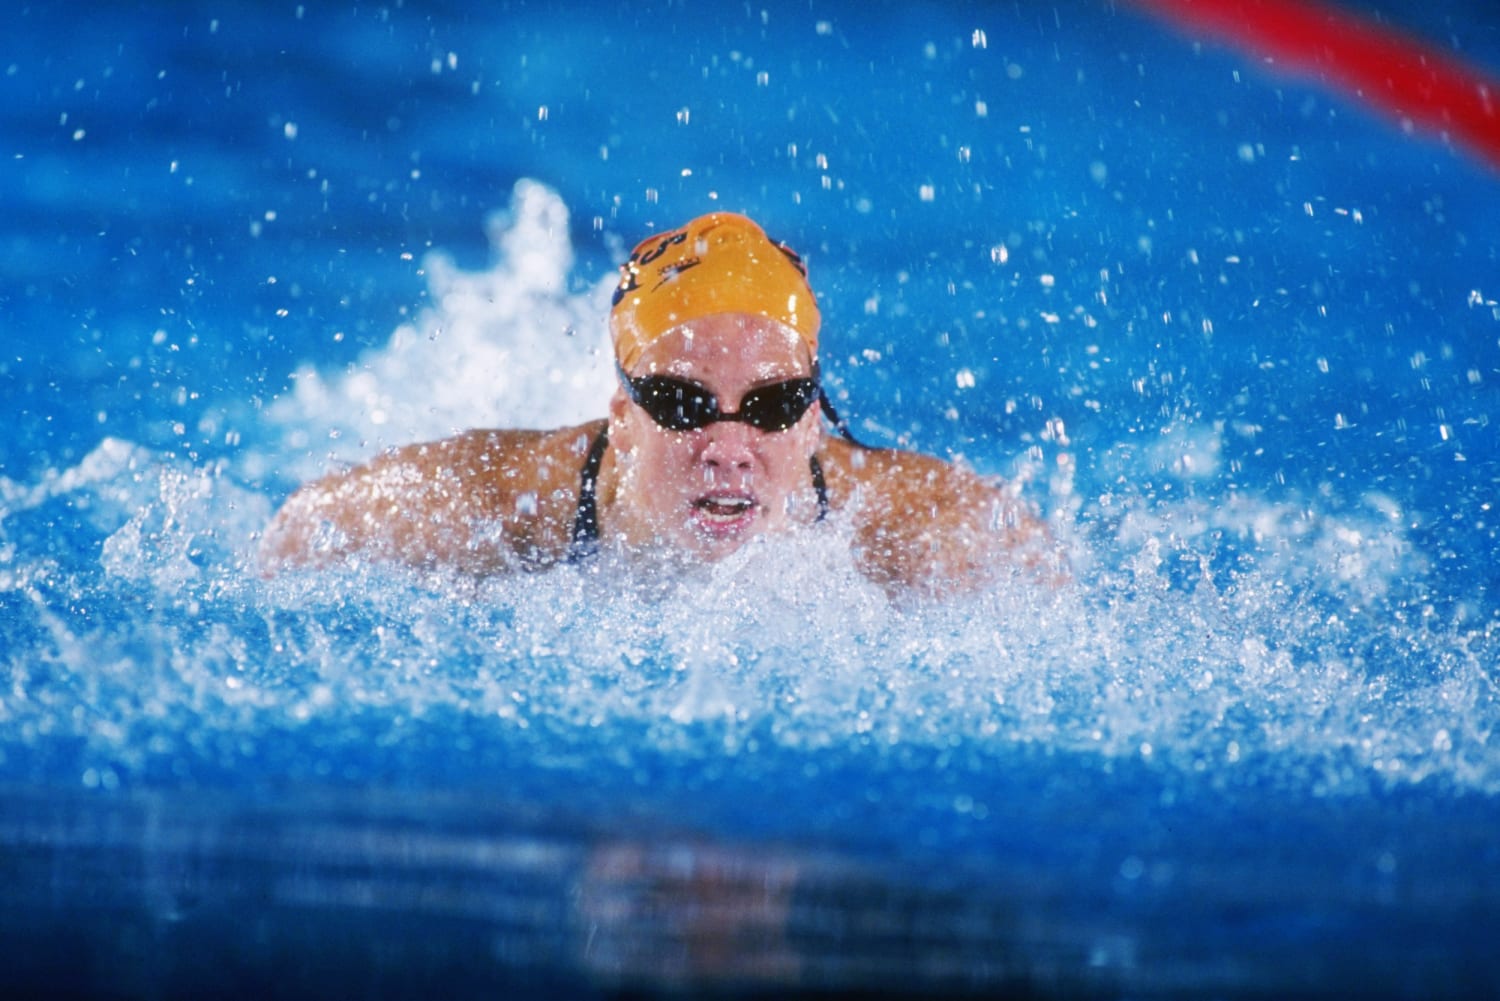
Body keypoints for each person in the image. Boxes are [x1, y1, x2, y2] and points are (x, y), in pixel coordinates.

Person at [260, 212, 1053, 599]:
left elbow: (1040, 569)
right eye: (681, 401)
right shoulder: (501, 504)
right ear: (621, 415)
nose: (729, 445)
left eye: (773, 403)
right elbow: (302, 529)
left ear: (813, 420)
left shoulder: (916, 532)